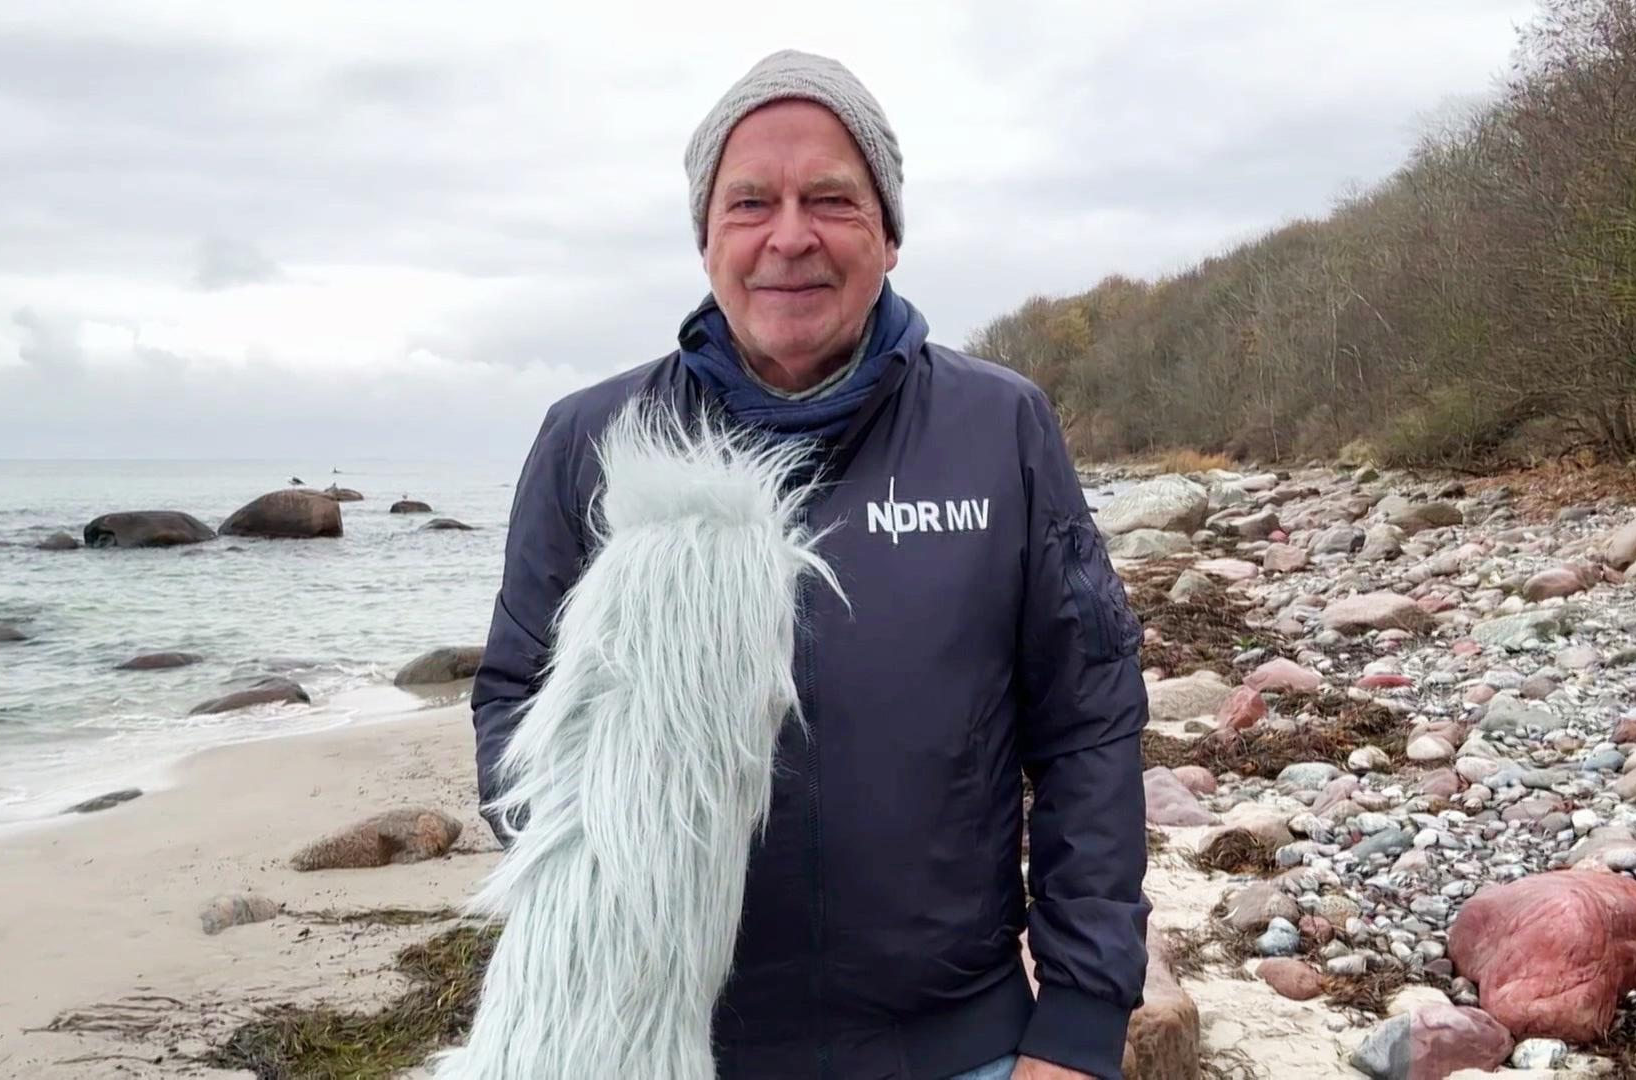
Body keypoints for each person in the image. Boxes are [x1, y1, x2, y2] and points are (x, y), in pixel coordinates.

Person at [471, 48, 1150, 1080]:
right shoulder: (592, 440)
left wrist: (1082, 1021)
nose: (790, 236)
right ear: (707, 239)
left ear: (886, 233)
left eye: (830, 198)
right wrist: (599, 879)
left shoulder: (998, 424)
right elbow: (515, 703)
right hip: (667, 1050)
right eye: (750, 203)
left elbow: (1088, 724)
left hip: (957, 1044)